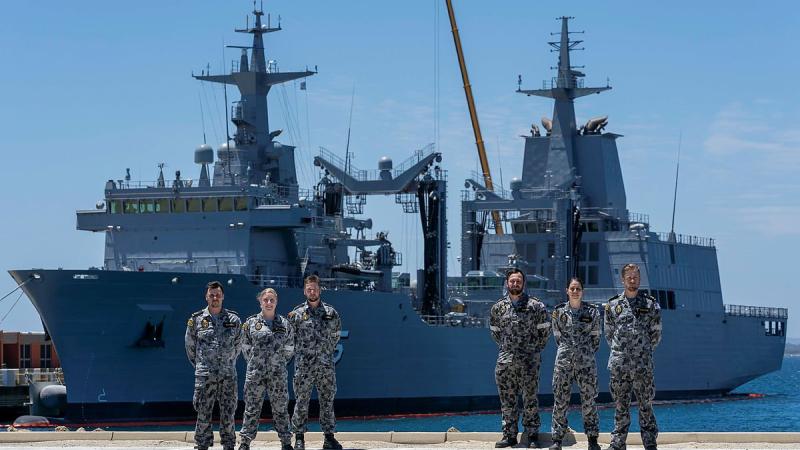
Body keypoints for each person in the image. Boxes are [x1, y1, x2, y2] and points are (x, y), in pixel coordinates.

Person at [489, 268, 551, 448]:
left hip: (529, 362)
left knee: (530, 399)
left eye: (518, 281)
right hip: (506, 362)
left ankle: (532, 436)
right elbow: (495, 334)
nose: (515, 284)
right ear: (507, 283)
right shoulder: (498, 308)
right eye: (512, 281)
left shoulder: (536, 306)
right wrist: (509, 349)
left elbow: (545, 332)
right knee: (507, 400)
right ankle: (509, 436)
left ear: (523, 283)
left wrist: (533, 350)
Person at [605, 264, 662, 450]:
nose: (632, 280)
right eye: (629, 277)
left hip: (642, 365)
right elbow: (609, 334)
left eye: (636, 276)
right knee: (621, 405)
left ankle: (650, 442)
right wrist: (622, 353)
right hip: (619, 365)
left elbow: (656, 334)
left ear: (640, 279)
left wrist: (642, 352)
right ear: (622, 280)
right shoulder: (612, 306)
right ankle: (618, 442)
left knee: (646, 405)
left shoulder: (650, 304)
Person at [185, 281, 242, 450]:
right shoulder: (195, 320)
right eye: (211, 295)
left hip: (227, 375)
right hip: (205, 375)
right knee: (203, 411)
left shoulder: (234, 319)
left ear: (223, 296)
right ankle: (202, 444)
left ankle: (228, 444)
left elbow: (239, 345)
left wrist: (228, 362)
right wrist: (201, 365)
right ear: (206, 297)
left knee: (228, 413)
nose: (215, 298)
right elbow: (190, 347)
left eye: (217, 295)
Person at [288, 274, 343, 450]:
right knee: (301, 401)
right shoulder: (296, 314)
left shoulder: (331, 313)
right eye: (309, 289)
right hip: (303, 367)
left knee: (327, 401)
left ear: (320, 290)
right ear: (305, 291)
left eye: (315, 288)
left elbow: (336, 336)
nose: (312, 291)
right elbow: (290, 339)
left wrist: (324, 353)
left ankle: (329, 438)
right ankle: (299, 438)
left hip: (325, 366)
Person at [238, 288, 295, 450]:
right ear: (260, 302)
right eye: (266, 300)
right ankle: (245, 442)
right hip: (256, 375)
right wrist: (257, 363)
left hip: (278, 375)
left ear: (276, 302)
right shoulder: (250, 324)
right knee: (251, 409)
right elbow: (245, 347)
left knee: (281, 409)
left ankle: (286, 442)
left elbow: (289, 348)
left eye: (272, 300)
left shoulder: (284, 324)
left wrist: (278, 363)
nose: (269, 303)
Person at [549, 278, 601, 450]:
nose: (575, 291)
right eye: (572, 288)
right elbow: (557, 336)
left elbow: (596, 338)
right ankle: (557, 439)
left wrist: (583, 352)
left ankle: (592, 439)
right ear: (567, 291)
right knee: (560, 400)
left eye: (578, 288)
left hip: (586, 363)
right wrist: (568, 351)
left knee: (589, 401)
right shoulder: (558, 312)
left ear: (582, 291)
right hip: (564, 362)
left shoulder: (592, 312)